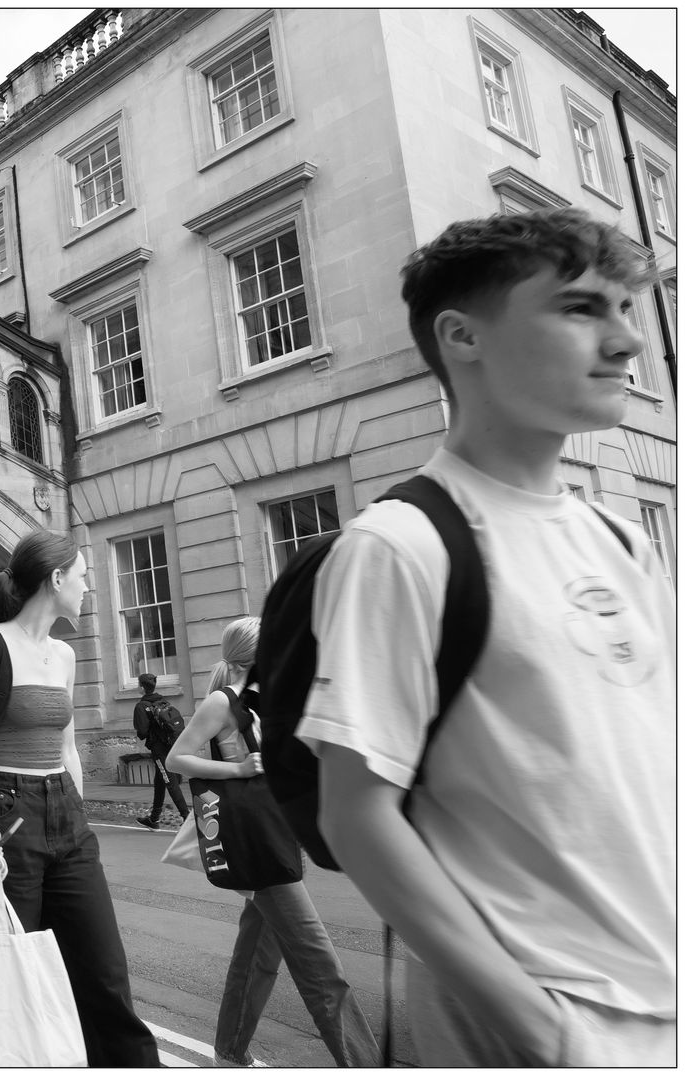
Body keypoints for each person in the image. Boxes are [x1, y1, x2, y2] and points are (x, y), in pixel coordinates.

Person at [300, 208, 674, 1066]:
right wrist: (545, 1030)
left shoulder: (624, 541)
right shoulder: (401, 544)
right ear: (462, 336)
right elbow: (356, 816)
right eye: (581, 308)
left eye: (626, 310)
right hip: (557, 1022)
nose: (627, 343)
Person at [0, 530, 161, 1066]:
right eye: (84, 576)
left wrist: (77, 814)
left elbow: (66, 743)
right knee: (17, 984)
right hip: (6, 816)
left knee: (104, 975)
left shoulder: (63, 656)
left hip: (65, 815)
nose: (89, 588)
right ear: (56, 579)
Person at [166, 617, 377, 1067]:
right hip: (257, 845)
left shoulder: (265, 702)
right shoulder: (222, 704)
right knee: (321, 967)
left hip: (277, 835)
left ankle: (229, 1050)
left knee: (257, 954)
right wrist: (239, 770)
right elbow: (176, 758)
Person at [132, 673, 188, 830]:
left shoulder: (141, 706)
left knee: (169, 781)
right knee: (160, 781)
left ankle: (188, 818)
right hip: (172, 745)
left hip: (159, 749)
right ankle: (154, 819)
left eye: (138, 684)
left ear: (142, 687)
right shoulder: (163, 701)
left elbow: (142, 732)